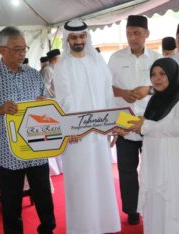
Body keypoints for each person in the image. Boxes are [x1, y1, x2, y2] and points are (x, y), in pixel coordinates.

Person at [0, 26, 55, 234]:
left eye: (24, 48)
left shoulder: (34, 75)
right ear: (2, 50)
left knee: (44, 196)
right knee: (11, 202)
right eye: (17, 49)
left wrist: (45, 103)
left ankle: (47, 229)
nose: (22, 53)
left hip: (37, 147)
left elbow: (47, 103)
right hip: (9, 152)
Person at [54, 20, 121, 234]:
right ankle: (83, 228)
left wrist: (112, 126)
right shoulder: (62, 66)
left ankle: (103, 225)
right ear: (67, 40)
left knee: (101, 179)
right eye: (74, 37)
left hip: (100, 134)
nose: (78, 41)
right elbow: (65, 101)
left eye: (82, 36)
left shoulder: (97, 62)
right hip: (77, 138)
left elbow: (107, 95)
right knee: (80, 183)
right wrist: (72, 129)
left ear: (87, 38)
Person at [121, 58, 179, 234]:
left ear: (172, 73)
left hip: (174, 158)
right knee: (156, 200)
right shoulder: (156, 99)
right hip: (154, 160)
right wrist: (126, 129)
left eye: (162, 74)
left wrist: (143, 126)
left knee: (172, 201)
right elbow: (147, 126)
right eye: (153, 74)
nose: (157, 79)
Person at [107, 15, 161, 225]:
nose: (132, 38)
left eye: (137, 33)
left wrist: (146, 90)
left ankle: (153, 205)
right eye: (129, 33)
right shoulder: (116, 58)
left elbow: (166, 87)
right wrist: (122, 92)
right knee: (126, 170)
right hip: (124, 122)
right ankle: (131, 210)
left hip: (151, 121)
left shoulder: (157, 58)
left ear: (146, 34)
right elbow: (107, 86)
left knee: (153, 168)